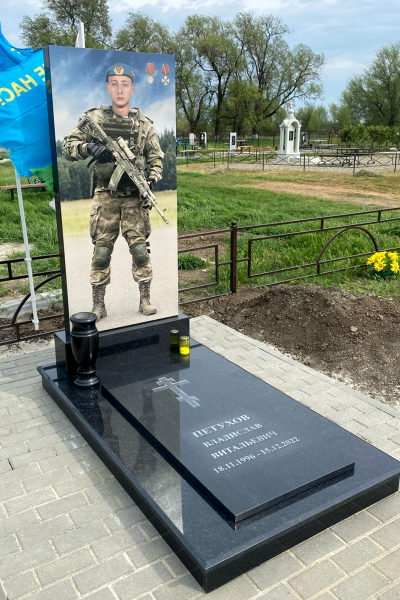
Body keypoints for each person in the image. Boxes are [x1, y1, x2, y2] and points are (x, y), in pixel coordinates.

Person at [62, 63, 164, 321]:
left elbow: (156, 159)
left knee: (140, 251)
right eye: (115, 84)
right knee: (101, 253)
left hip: (134, 198)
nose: (120, 90)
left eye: (125, 84)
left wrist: (152, 178)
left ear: (132, 89)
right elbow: (68, 146)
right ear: (108, 87)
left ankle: (145, 299)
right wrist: (89, 148)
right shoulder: (95, 118)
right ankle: (98, 304)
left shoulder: (144, 124)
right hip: (105, 197)